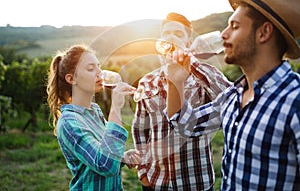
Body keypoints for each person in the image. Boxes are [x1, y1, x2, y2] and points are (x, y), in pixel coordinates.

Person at [166, 0, 300, 190]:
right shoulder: (232, 96)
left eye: (234, 26)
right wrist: (174, 82)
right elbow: (186, 126)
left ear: (263, 33)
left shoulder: (295, 101)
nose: (223, 34)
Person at [132, 12, 231, 190]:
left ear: (188, 42)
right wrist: (143, 173)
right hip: (156, 182)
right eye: (167, 33)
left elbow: (234, 98)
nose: (172, 37)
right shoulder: (146, 82)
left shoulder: (205, 75)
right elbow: (140, 129)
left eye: (179, 34)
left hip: (196, 182)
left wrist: (190, 62)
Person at [46, 44, 141, 190]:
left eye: (99, 67)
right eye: (91, 69)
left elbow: (103, 149)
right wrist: (115, 107)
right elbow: (105, 165)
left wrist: (122, 157)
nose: (100, 73)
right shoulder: (69, 123)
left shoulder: (95, 110)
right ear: (71, 79)